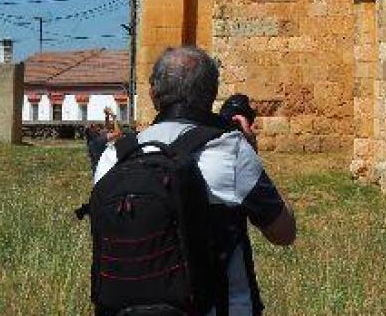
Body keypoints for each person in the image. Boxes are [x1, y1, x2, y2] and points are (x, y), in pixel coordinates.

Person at [93, 46, 296, 316]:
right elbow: (284, 233)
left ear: (153, 94)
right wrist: (251, 155)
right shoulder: (230, 150)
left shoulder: (115, 156)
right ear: (211, 94)